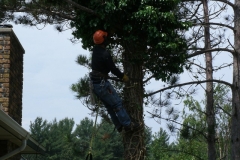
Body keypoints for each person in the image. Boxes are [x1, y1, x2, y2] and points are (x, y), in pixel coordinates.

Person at [89, 30, 139, 132]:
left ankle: (118, 125)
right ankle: (128, 125)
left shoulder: (95, 50)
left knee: (109, 106)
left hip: (95, 84)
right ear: (104, 40)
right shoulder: (105, 54)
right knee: (117, 104)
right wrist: (122, 76)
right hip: (102, 84)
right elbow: (113, 69)